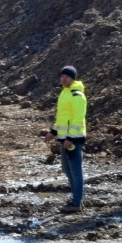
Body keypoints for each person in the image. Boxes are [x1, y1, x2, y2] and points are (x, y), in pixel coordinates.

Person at [44, 66, 88, 213]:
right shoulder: (65, 93)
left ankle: (76, 203)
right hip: (65, 139)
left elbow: (77, 119)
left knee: (75, 171)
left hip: (73, 140)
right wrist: (53, 132)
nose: (63, 79)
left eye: (67, 77)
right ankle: (76, 198)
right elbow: (63, 118)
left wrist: (71, 137)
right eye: (62, 76)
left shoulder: (77, 95)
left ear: (72, 78)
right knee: (66, 169)